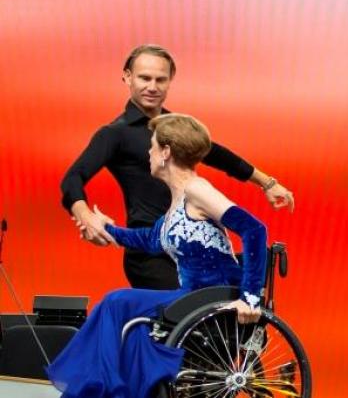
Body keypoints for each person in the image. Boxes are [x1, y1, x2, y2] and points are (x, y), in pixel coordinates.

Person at [47, 113, 269, 398]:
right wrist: (107, 229)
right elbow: (149, 240)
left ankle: (102, 389)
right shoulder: (176, 201)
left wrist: (250, 297)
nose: (148, 153)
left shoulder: (197, 189)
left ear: (165, 152)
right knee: (126, 315)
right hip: (191, 296)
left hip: (213, 297)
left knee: (118, 302)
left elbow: (254, 229)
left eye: (152, 146)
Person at [60, 43, 294, 289]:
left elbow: (218, 155)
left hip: (190, 245)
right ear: (127, 77)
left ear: (171, 80)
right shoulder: (114, 134)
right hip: (150, 252)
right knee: (173, 318)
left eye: (160, 79)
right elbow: (73, 178)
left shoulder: (174, 127)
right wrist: (85, 216)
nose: (152, 87)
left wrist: (267, 183)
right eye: (144, 78)